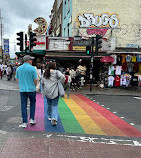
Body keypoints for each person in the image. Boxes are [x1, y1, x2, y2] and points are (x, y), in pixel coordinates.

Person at [16, 55, 37, 128]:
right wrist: (34, 85)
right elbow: (35, 79)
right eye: (31, 60)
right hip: (31, 89)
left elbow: (17, 78)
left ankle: (24, 122)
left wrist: (21, 84)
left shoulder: (19, 69)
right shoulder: (33, 69)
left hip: (22, 90)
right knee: (32, 104)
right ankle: (31, 119)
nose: (32, 61)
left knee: (23, 106)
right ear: (28, 60)